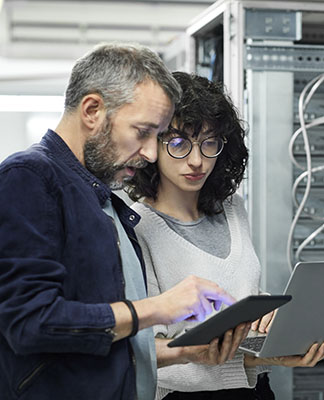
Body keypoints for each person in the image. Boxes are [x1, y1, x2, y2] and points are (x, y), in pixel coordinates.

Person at [0, 43, 248, 400]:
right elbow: (29, 323)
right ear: (92, 110)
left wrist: (183, 352)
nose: (150, 153)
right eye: (143, 131)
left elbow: (101, 342)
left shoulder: (100, 196)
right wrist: (158, 308)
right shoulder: (29, 177)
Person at [126, 72, 324, 400]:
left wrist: (269, 318)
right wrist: (258, 360)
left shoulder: (232, 209)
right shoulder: (137, 227)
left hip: (257, 391)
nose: (197, 160)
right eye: (179, 143)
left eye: (209, 143)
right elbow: (149, 354)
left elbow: (242, 293)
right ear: (152, 145)